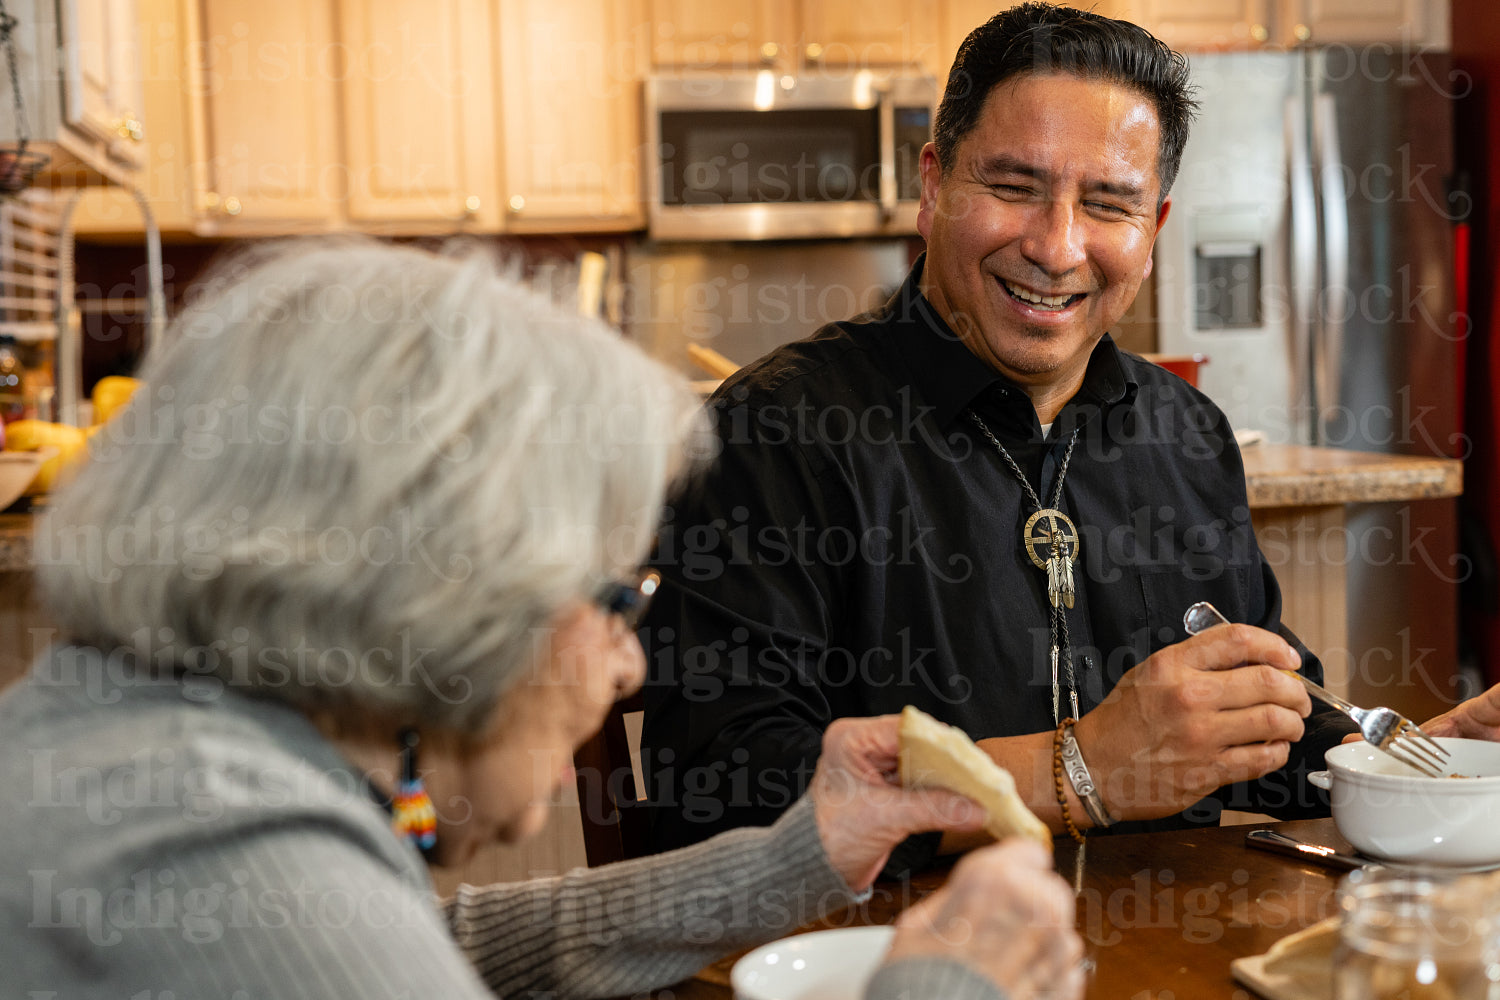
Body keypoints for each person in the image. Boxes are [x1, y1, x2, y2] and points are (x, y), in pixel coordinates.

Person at [0, 240, 1084, 1000]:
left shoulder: (159, 744)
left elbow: (435, 945)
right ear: (453, 593)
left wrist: (800, 856)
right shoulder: (222, 861)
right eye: (618, 597)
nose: (624, 667)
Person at [641, 1, 1500, 869]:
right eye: (1014, 188)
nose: (1056, 247)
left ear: (1153, 230)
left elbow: (1255, 741)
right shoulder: (775, 429)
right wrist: (1080, 770)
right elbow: (717, 796)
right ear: (934, 187)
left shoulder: (1186, 433)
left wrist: (1418, 760)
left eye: (1108, 204)